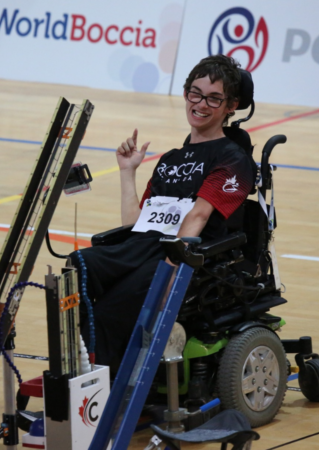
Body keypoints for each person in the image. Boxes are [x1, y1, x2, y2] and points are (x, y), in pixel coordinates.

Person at [69, 55, 256, 373]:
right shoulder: (170, 159)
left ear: (230, 106)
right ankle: (83, 368)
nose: (200, 104)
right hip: (144, 246)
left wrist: (174, 267)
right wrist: (127, 173)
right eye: (195, 93)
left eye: (213, 98)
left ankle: (103, 380)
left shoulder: (233, 159)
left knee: (111, 309)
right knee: (80, 265)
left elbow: (198, 216)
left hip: (185, 258)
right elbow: (135, 226)